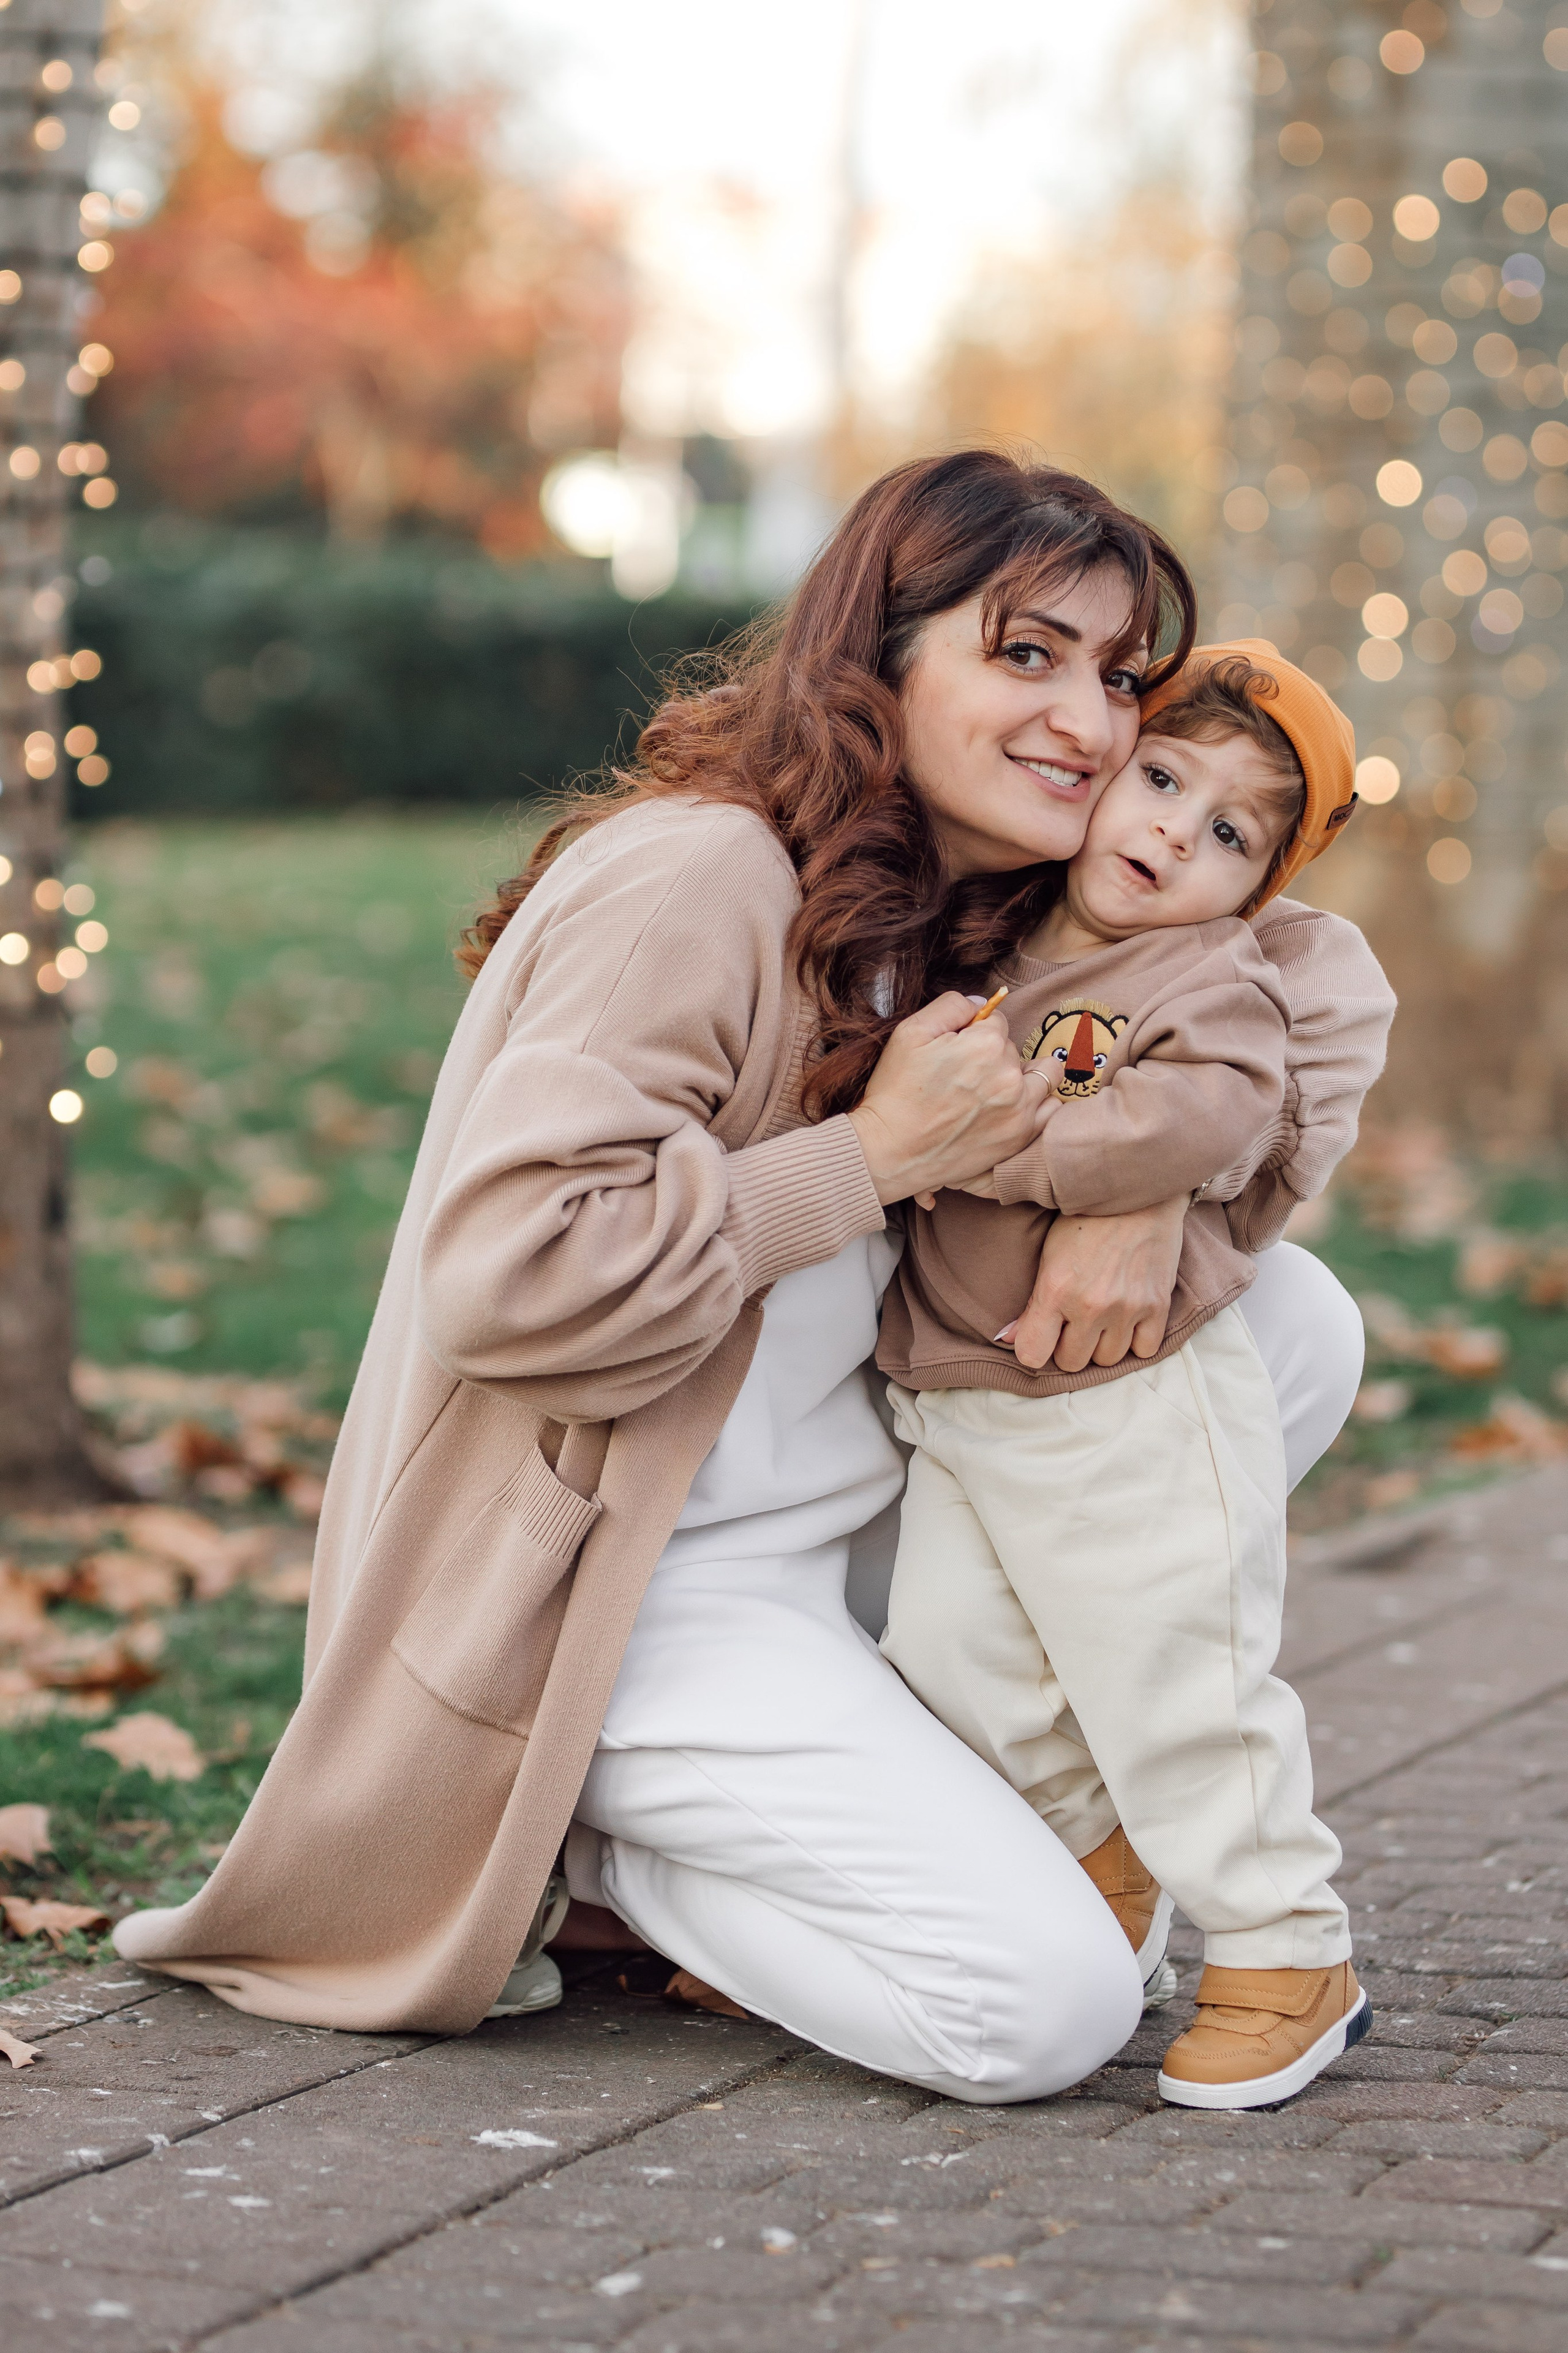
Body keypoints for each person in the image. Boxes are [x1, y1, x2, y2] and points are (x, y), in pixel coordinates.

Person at [114, 451, 1389, 2107]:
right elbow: (513, 1274)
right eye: (1026, 654)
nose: (1087, 718)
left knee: (1294, 1324)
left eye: (1114, 673)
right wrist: (872, 1161)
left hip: (875, 1522)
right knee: (1041, 2012)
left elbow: (1316, 985)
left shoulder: (990, 905)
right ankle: (601, 1850)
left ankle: (1024, 1797)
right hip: (633, 1592)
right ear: (879, 656)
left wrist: (1154, 1194)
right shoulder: (697, 877)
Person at [880, 643, 1384, 2112]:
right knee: (957, 1661)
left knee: (1174, 1680)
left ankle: (1288, 1954)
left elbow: (1206, 1119)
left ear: (1256, 889)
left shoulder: (1207, 979)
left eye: (1226, 831)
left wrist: (990, 1142)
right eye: (1160, 779)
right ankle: (1092, 1882)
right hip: (963, 1395)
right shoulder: (1013, 932)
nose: (1168, 830)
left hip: (1128, 1397)